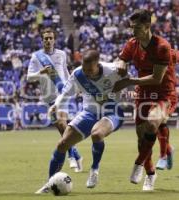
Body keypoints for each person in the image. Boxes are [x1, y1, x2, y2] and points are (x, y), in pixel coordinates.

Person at [35, 49, 125, 194]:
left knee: (97, 134)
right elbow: (65, 93)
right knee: (62, 144)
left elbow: (133, 84)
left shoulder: (113, 70)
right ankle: (50, 183)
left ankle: (94, 169)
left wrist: (134, 92)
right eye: (84, 67)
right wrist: (56, 106)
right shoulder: (78, 74)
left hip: (112, 112)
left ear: (98, 64)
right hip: (89, 112)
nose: (86, 72)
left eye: (90, 69)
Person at [112, 9, 175, 191]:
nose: (132, 31)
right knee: (142, 140)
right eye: (131, 27)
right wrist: (121, 67)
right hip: (142, 95)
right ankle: (150, 174)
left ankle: (138, 163)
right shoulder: (132, 43)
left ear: (147, 26)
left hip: (163, 93)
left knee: (153, 122)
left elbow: (156, 78)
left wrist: (128, 80)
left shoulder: (162, 46)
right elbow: (122, 59)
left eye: (136, 27)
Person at [27, 27, 82, 172]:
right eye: (46, 38)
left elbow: (65, 72)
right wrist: (41, 72)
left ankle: (71, 157)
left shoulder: (61, 54)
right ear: (42, 40)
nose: (48, 40)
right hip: (48, 97)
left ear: (54, 39)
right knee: (61, 128)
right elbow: (29, 77)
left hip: (62, 93)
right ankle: (76, 154)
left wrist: (75, 87)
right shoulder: (36, 57)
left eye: (51, 38)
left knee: (61, 122)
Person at [155, 48, 179, 170]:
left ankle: (163, 156)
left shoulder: (168, 51)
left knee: (160, 121)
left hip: (168, 94)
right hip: (152, 94)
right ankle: (169, 150)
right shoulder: (142, 53)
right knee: (152, 128)